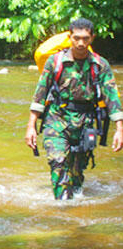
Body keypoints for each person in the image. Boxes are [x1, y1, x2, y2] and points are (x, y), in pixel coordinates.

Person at [25, 18, 123, 200]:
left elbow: (112, 98)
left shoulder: (100, 65)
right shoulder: (55, 62)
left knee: (77, 174)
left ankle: (75, 212)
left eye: (85, 38)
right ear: (70, 37)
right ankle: (63, 212)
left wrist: (119, 129)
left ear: (92, 38)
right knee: (58, 162)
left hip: (85, 122)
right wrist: (31, 126)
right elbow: (40, 94)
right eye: (76, 38)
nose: (80, 43)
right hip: (57, 119)